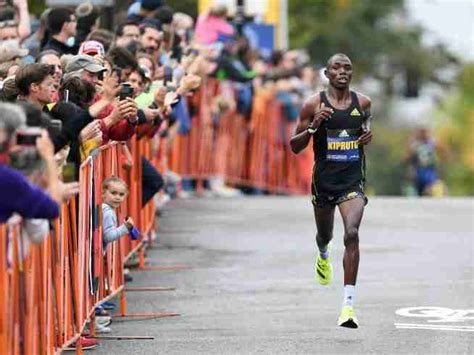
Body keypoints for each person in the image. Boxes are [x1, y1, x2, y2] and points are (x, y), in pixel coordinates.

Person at [290, 53, 373, 328]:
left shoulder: (363, 102)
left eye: (347, 68)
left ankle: (348, 308)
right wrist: (314, 127)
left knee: (352, 233)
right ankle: (323, 254)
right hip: (324, 181)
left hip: (352, 181)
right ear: (327, 73)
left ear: (352, 73)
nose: (342, 72)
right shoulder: (313, 104)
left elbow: (365, 123)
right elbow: (294, 145)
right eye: (336, 67)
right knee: (325, 235)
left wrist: (366, 133)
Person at [102, 176, 135, 250]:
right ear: (103, 193)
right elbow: (108, 237)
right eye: (113, 193)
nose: (117, 197)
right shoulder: (108, 213)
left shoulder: (104, 208)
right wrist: (125, 228)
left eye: (121, 194)